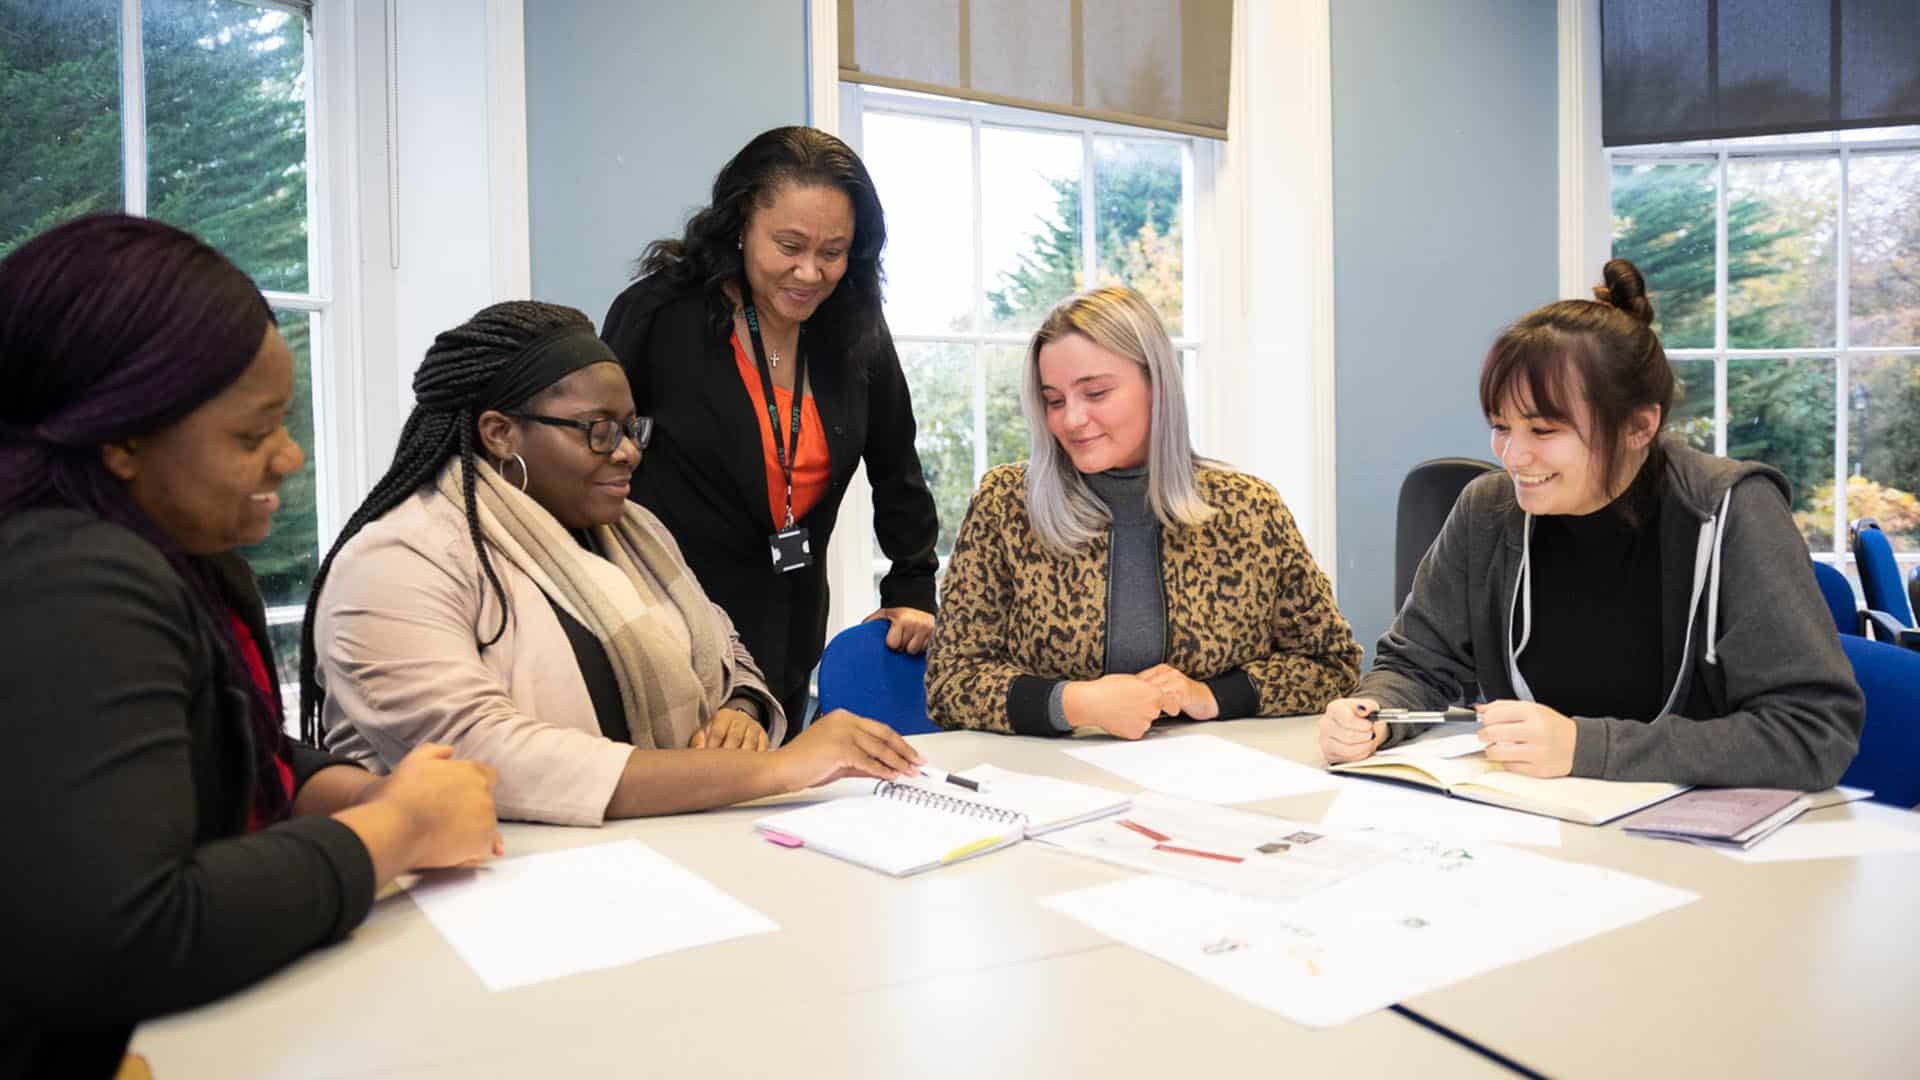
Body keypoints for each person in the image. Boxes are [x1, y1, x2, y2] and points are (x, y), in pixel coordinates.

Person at [0, 215, 503, 1079]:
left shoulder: (182, 554)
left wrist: (342, 789)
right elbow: (127, 934)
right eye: (249, 435)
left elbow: (213, 746)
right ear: (119, 437)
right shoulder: (68, 577)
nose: (291, 456)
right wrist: (399, 827)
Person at [302, 301, 924, 826]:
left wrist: (741, 711)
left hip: (648, 857)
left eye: (632, 429)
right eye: (599, 431)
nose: (628, 452)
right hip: (472, 893)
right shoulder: (396, 562)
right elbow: (485, 757)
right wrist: (772, 767)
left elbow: (725, 648)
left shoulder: (632, 531)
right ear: (499, 433)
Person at [1319, 259, 1863, 789]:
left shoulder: (1731, 512)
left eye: (1544, 430)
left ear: (1638, 426)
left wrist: (1587, 748)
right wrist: (1378, 713)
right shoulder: (1488, 510)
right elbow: (1415, 663)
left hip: (1697, 845)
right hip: (1540, 827)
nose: (1513, 456)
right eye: (1501, 426)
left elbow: (1813, 732)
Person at [601, 126, 940, 736]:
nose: (809, 272)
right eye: (788, 245)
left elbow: (897, 466)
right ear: (740, 226)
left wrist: (911, 583)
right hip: (670, 619)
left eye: (833, 252)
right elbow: (590, 450)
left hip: (791, 609)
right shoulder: (660, 315)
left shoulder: (855, 326)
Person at [926, 286, 1362, 737]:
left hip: (1212, 779)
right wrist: (1075, 702)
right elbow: (950, 680)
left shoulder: (1249, 509)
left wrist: (1211, 696)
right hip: (1051, 787)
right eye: (1054, 400)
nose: (1071, 419)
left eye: (1095, 393)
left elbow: (1331, 664)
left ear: (1157, 385)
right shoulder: (1006, 505)